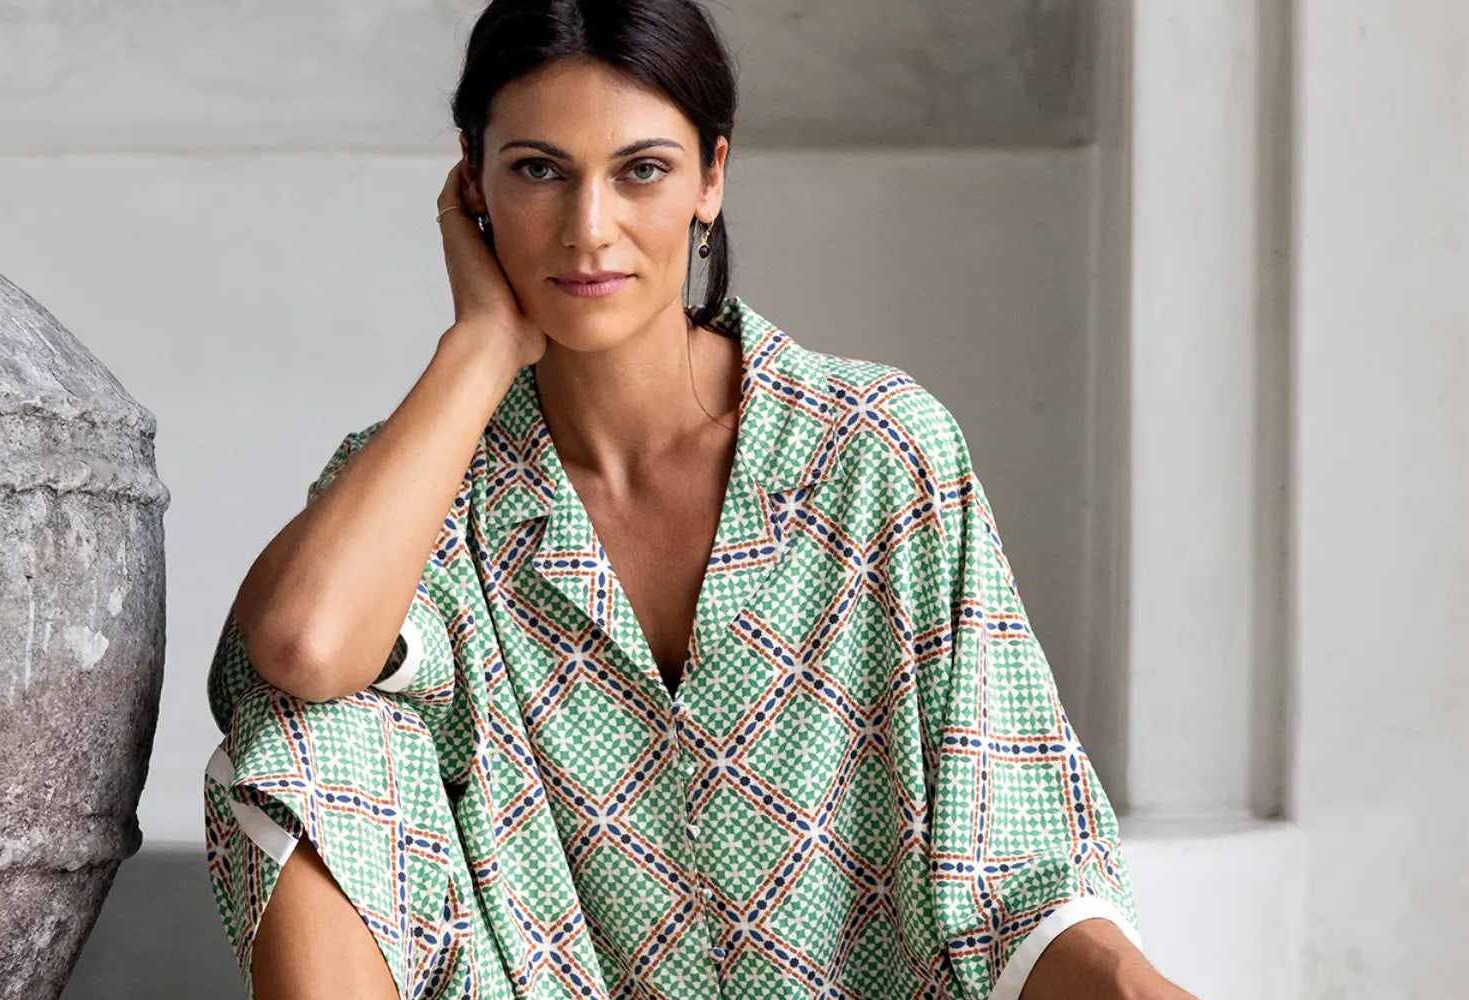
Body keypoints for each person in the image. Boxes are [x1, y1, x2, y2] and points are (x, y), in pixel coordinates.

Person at [203, 2, 1195, 997]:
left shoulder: (875, 455)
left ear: (710, 179)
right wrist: (479, 347)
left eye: (641, 170)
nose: (590, 230)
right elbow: (301, 647)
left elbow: (1021, 858)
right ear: (474, 187)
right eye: (539, 170)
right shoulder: (428, 492)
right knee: (300, 731)